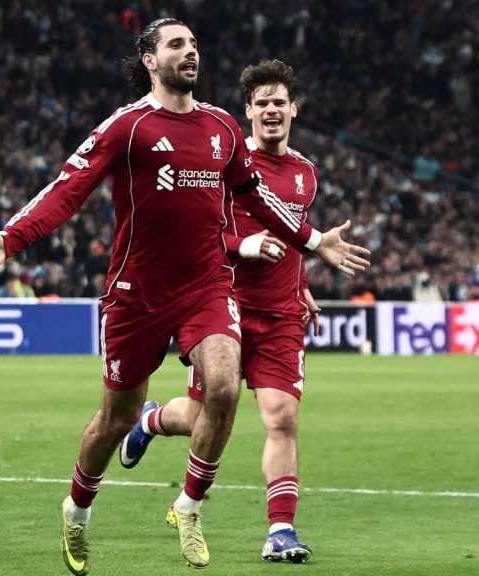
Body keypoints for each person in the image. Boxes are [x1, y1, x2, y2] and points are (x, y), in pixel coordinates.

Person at [0, 19, 370, 574]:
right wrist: (10, 239)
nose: (190, 52)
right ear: (150, 60)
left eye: (195, 44)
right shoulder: (127, 128)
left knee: (223, 386)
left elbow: (262, 199)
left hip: (206, 286)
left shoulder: (222, 128)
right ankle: (77, 509)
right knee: (115, 416)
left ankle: (190, 505)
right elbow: (68, 189)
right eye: (177, 45)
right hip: (136, 294)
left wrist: (314, 241)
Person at [118, 59, 328, 564]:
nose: (272, 110)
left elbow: (295, 237)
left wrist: (302, 287)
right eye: (263, 104)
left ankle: (280, 531)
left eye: (280, 102)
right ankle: (150, 421)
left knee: (282, 418)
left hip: (280, 316)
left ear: (293, 110)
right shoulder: (226, 167)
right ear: (248, 113)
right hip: (223, 306)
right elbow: (201, 234)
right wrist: (243, 246)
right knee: (202, 416)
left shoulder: (305, 173)